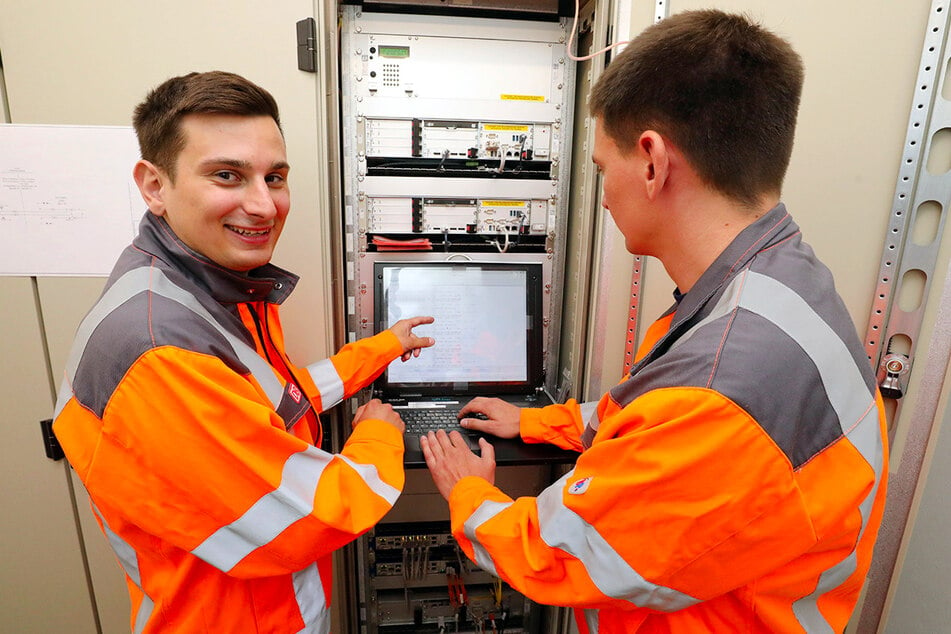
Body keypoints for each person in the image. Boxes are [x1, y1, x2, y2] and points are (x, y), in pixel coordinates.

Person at [421, 10, 888, 633]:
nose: (605, 194)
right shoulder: (774, 285)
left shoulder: (723, 386)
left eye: (599, 168)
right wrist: (536, 421)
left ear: (650, 161)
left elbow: (556, 551)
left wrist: (468, 494)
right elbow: (648, 427)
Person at [52, 71, 434, 633]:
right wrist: (378, 430)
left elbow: (272, 404)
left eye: (274, 177)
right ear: (154, 185)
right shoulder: (161, 351)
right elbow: (319, 514)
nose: (263, 205)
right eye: (227, 176)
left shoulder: (211, 285)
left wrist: (381, 349)